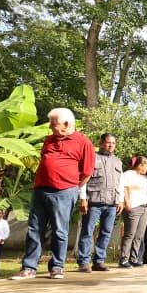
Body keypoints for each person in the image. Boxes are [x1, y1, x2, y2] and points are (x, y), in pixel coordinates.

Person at [12, 108, 95, 280]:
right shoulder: (49, 140)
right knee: (34, 229)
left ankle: (57, 267)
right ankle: (29, 267)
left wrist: (71, 187)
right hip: (40, 189)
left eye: (53, 124)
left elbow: (87, 172)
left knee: (60, 230)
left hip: (64, 192)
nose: (50, 127)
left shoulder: (83, 142)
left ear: (66, 124)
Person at [77, 132, 123, 273]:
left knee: (106, 232)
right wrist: (83, 198)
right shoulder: (92, 158)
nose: (111, 145)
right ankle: (84, 262)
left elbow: (120, 182)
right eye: (108, 142)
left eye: (113, 143)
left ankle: (99, 261)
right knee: (87, 231)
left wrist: (120, 200)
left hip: (111, 202)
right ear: (101, 143)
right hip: (94, 201)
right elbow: (84, 178)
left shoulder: (117, 161)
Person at [118, 156, 147, 268]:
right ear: (140, 165)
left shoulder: (143, 177)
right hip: (134, 207)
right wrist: (126, 202)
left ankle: (134, 258)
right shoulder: (128, 174)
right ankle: (123, 258)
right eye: (146, 165)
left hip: (145, 207)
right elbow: (124, 188)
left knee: (139, 235)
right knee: (130, 234)